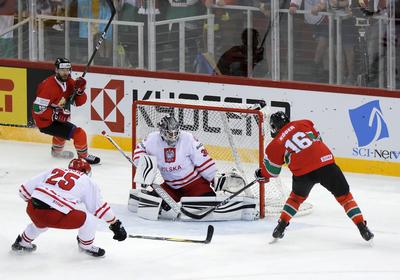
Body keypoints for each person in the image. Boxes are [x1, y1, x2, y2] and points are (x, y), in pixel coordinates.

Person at [255, 111, 374, 242]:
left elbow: (272, 172)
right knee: (345, 198)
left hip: (302, 172)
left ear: (274, 127)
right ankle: (362, 228)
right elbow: (319, 140)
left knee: (295, 199)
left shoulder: (274, 145)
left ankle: (280, 227)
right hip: (325, 164)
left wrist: (261, 174)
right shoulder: (305, 122)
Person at [11, 158, 127, 257]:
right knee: (89, 219)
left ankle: (22, 243)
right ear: (86, 171)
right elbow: (99, 209)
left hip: (32, 208)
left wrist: (38, 204)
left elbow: (23, 191)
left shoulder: (54, 170)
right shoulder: (87, 180)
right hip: (53, 215)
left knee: (41, 223)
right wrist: (115, 224)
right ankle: (86, 247)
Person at [133, 114, 217, 202]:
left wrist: (213, 178)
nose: (173, 136)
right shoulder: (152, 139)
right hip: (170, 187)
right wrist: (143, 170)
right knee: (153, 203)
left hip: (194, 184)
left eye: (175, 133)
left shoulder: (188, 138)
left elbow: (203, 160)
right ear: (162, 131)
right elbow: (140, 150)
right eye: (169, 134)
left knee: (209, 201)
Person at [32, 57, 100, 164]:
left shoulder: (69, 82)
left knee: (61, 133)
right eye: (62, 70)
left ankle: (56, 153)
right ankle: (84, 157)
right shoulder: (48, 86)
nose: (65, 73)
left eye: (68, 70)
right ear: (56, 70)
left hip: (57, 118)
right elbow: (37, 109)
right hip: (45, 122)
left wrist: (80, 91)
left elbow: (79, 102)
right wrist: (55, 115)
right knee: (79, 133)